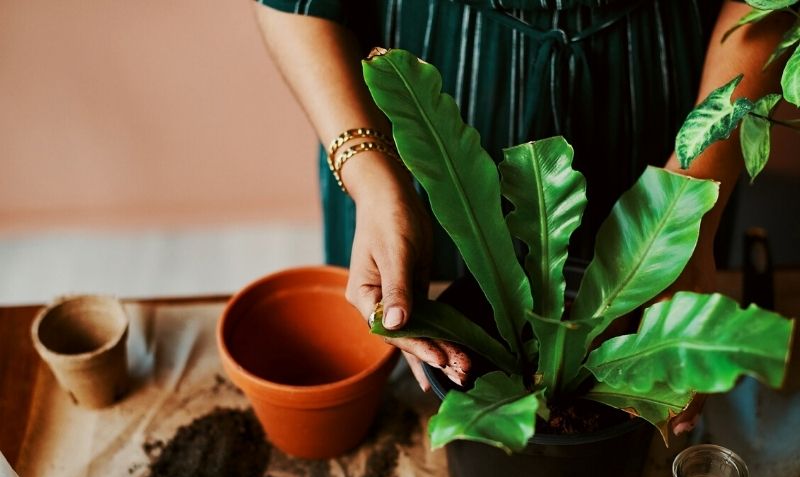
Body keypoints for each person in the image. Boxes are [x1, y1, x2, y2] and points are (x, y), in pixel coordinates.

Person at [252, 0, 791, 432]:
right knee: (406, 306)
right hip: (432, 87)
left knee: (649, 296)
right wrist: (372, 179)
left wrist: (690, 211)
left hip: (661, 92)